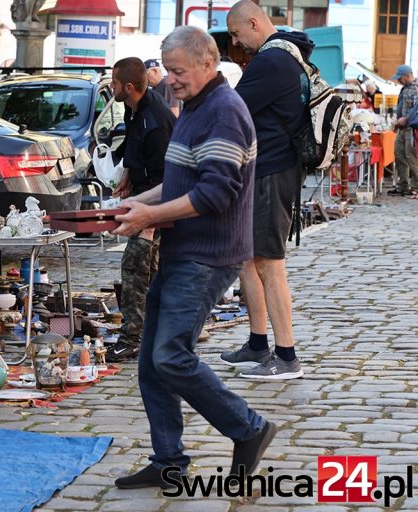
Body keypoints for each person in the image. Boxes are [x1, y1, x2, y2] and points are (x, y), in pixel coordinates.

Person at [111, 25, 275, 490]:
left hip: (208, 254)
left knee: (170, 356)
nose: (170, 80)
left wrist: (150, 215)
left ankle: (249, 427)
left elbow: (215, 193)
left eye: (178, 71)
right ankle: (169, 461)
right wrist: (135, 205)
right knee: (151, 361)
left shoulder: (223, 111)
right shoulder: (196, 106)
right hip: (186, 249)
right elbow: (184, 182)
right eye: (167, 71)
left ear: (208, 63)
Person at [219, 0, 307, 380]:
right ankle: (258, 344)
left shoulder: (273, 61)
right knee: (249, 259)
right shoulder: (283, 56)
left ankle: (286, 357)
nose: (237, 43)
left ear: (253, 23)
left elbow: (231, 108)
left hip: (273, 170)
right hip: (265, 169)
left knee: (270, 263)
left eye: (237, 34)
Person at [104, 57, 176, 363]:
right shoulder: (133, 108)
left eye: (115, 84)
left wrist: (147, 219)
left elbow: (166, 178)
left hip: (156, 203)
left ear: (129, 87)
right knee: (151, 271)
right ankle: (152, 334)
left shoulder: (156, 120)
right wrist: (128, 173)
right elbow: (134, 148)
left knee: (135, 268)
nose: (112, 87)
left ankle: (132, 337)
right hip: (142, 195)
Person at [387, 65, 418, 197]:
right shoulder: (404, 88)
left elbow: (415, 109)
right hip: (402, 127)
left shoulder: (416, 88)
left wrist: (406, 119)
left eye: (400, 78)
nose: (398, 80)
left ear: (407, 75)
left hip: (411, 127)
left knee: (411, 157)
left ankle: (416, 186)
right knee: (399, 154)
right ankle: (403, 185)